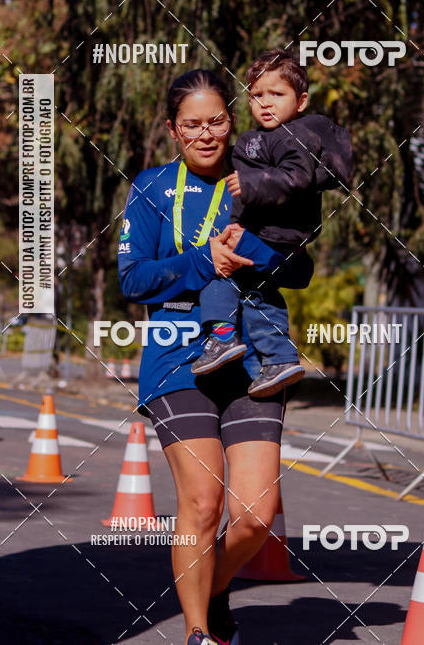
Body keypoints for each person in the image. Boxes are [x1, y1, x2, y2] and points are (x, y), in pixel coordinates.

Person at [118, 68, 302, 645]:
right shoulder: (151, 188)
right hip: (178, 361)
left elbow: (299, 269)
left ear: (233, 121)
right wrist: (206, 262)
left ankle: (214, 586)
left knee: (255, 516)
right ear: (174, 130)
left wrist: (247, 249)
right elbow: (134, 279)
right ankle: (199, 633)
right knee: (201, 503)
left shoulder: (262, 182)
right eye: (192, 124)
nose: (206, 134)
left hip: (252, 363)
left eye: (217, 121)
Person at [191, 48, 352, 397]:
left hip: (279, 237)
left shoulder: (297, 137)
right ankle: (278, 358)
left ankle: (222, 337)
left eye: (276, 94)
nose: (265, 102)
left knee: (225, 275)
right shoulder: (253, 140)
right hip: (256, 231)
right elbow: (241, 198)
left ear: (301, 101)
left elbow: (295, 179)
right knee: (253, 289)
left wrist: (252, 184)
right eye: (256, 95)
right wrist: (234, 225)